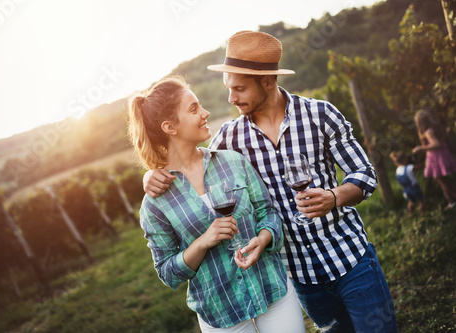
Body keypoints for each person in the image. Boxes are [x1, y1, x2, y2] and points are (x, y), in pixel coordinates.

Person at [144, 31, 398, 332]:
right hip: (301, 276)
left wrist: (334, 197)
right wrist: (151, 174)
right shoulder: (230, 139)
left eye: (239, 89)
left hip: (351, 260)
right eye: (229, 88)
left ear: (268, 82)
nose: (231, 98)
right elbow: (192, 162)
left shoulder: (321, 115)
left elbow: (365, 174)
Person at [128, 76, 306, 332]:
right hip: (221, 312)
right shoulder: (155, 203)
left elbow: (268, 212)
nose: (205, 113)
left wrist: (264, 239)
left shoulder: (232, 161)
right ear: (170, 127)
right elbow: (168, 273)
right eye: (193, 109)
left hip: (272, 289)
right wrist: (203, 241)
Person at [412, 109, 456, 209]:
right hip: (443, 155)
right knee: (443, 179)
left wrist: (421, 148)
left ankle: (451, 201)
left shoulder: (428, 132)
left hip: (437, 157)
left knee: (441, 180)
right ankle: (453, 196)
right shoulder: (435, 128)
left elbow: (437, 144)